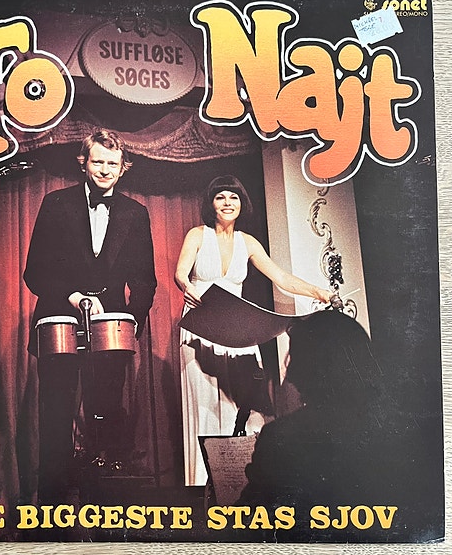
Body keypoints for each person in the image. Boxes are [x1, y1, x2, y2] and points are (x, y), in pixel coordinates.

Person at [24, 128, 156, 503]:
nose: (104, 169)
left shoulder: (136, 213)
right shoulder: (55, 203)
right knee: (56, 417)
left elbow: (145, 281)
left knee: (106, 418)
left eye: (112, 163)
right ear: (84, 163)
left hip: (110, 333)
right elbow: (35, 271)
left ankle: (104, 511)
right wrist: (74, 297)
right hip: (58, 324)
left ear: (123, 167)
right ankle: (51, 512)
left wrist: (131, 323)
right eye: (98, 161)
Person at [175, 175, 332, 486]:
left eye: (233, 197)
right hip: (201, 328)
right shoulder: (197, 235)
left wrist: (318, 291)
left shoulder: (247, 242)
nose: (227, 203)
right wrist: (187, 287)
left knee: (246, 406)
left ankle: (242, 484)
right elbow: (181, 272)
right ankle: (203, 485)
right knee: (206, 405)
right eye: (220, 197)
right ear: (211, 204)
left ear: (241, 203)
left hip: (239, 330)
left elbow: (281, 278)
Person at [237, 309, 436, 541]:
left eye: (295, 359)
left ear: (306, 370)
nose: (289, 374)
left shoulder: (280, 437)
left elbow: (247, 522)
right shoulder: (404, 432)